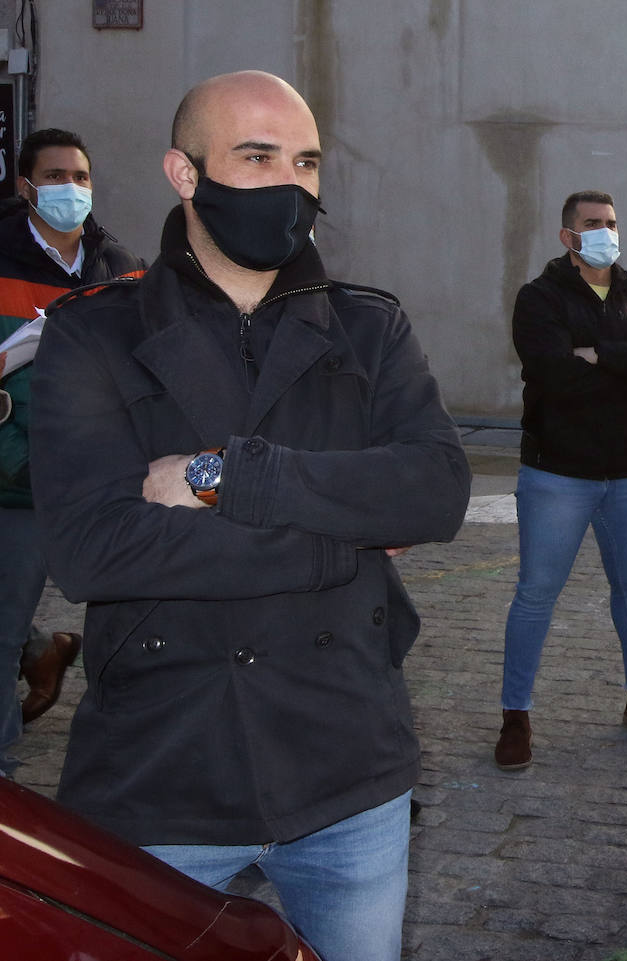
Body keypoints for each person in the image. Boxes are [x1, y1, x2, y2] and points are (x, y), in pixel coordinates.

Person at [27, 71, 471, 961]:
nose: (289, 184)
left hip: (347, 770)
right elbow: (93, 549)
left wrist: (222, 476)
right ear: (185, 175)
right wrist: (332, 544)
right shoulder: (91, 334)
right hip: (162, 771)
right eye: (257, 156)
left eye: (305, 161)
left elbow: (435, 489)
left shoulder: (369, 327)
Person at [497, 189, 627, 771]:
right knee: (535, 596)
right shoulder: (540, 298)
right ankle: (516, 714)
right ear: (567, 236)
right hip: (558, 472)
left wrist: (596, 354)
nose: (606, 231)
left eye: (612, 222)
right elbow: (552, 375)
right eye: (593, 223)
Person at [0, 127, 144, 777]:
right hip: (17, 482)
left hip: (101, 487)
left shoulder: (120, 267)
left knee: (136, 632)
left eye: (81, 177)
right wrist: (16, 460)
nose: (72, 189)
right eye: (56, 176)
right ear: (25, 186)